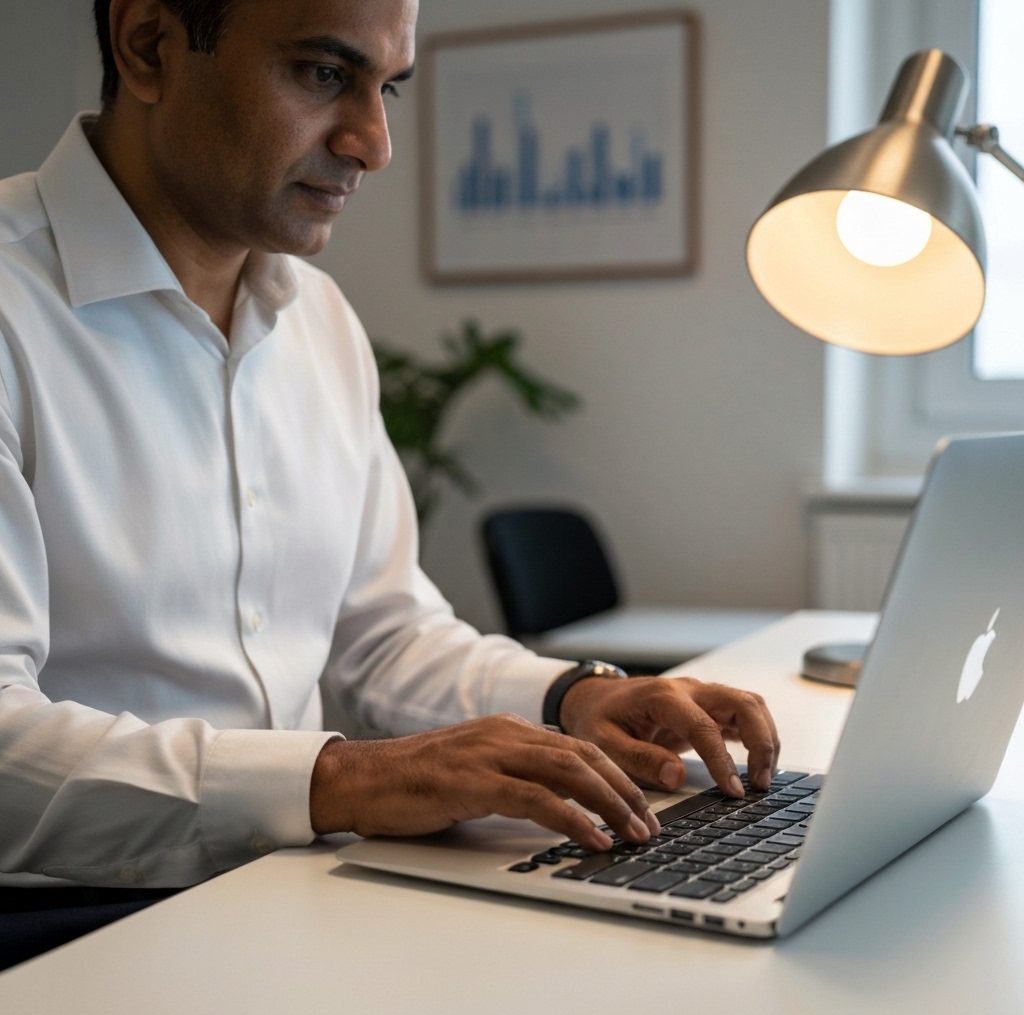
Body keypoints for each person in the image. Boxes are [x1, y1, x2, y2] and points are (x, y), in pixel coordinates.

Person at [0, 0, 779, 893]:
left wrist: (575, 699)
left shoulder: (319, 321)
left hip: (284, 889)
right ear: (148, 46)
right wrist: (343, 780)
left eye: (387, 89)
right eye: (324, 75)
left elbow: (382, 638)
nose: (373, 143)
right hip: (61, 928)